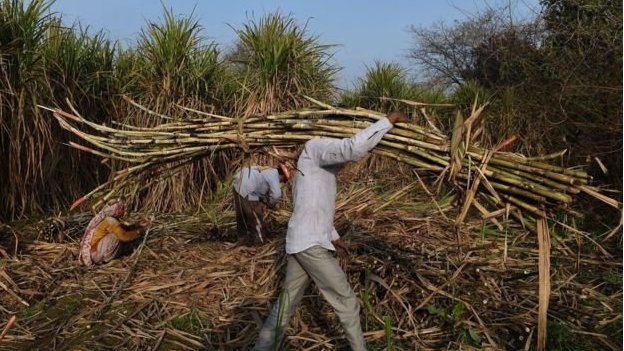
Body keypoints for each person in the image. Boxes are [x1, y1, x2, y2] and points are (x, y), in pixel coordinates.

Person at [252, 111, 410, 350]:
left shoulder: (309, 161)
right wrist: (388, 121)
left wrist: (334, 237)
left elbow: (312, 206)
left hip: (303, 241)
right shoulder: (316, 146)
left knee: (284, 306)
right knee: (347, 301)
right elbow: (352, 149)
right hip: (310, 244)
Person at [232, 164, 291, 244]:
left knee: (241, 215)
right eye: (283, 180)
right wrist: (271, 204)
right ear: (282, 176)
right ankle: (259, 241)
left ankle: (242, 239)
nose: (281, 182)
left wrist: (263, 200)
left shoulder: (267, 170)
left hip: (237, 183)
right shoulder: (274, 176)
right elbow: (276, 195)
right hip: (248, 188)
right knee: (256, 216)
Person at [78, 200, 148, 267]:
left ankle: (108, 257)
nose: (124, 212)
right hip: (95, 254)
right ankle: (107, 260)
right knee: (116, 236)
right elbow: (123, 236)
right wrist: (138, 232)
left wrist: (137, 226)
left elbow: (122, 227)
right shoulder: (111, 221)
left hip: (93, 253)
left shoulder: (107, 219)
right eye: (123, 210)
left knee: (119, 237)